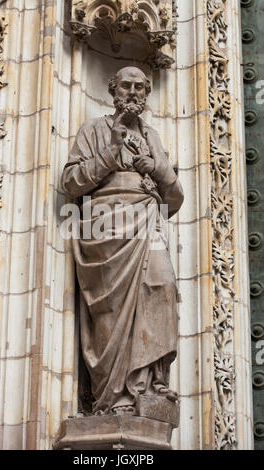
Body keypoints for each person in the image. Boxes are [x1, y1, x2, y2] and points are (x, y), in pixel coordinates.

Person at [62, 66, 184, 415]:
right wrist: (110, 152)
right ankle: (114, 396)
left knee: (161, 287)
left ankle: (152, 384)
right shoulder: (94, 130)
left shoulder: (153, 138)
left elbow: (175, 198)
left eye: (139, 87)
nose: (132, 92)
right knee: (112, 310)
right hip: (105, 230)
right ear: (114, 90)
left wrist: (156, 169)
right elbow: (71, 182)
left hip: (146, 224)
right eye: (126, 85)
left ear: (146, 93)